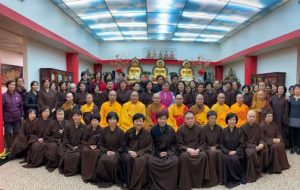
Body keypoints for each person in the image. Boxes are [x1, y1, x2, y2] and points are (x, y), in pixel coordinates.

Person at [177, 111, 209, 190]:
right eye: (188, 119)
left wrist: (198, 149)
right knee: (184, 157)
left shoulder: (199, 128)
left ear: (194, 119)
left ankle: (199, 182)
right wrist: (188, 149)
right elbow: (178, 144)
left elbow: (203, 143)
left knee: (203, 155)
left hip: (197, 150)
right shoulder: (180, 129)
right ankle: (186, 183)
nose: (190, 120)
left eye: (192, 118)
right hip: (185, 151)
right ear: (184, 120)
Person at [148, 110, 178, 190]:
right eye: (160, 119)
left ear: (167, 119)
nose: (162, 121)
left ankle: (170, 185)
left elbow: (174, 144)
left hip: (168, 152)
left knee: (175, 161)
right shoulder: (153, 130)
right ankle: (155, 185)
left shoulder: (170, 129)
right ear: (157, 119)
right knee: (151, 162)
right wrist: (157, 153)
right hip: (156, 153)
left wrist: (168, 152)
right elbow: (151, 144)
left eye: (164, 119)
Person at [122, 113, 152, 189]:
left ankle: (139, 183)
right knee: (127, 159)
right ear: (133, 122)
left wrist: (138, 153)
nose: (139, 123)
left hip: (142, 153)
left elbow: (149, 147)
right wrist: (129, 151)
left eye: (141, 121)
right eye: (137, 121)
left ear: (143, 122)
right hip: (130, 152)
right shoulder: (129, 132)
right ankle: (128, 182)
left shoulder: (147, 133)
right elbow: (124, 145)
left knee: (141, 160)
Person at [95, 112, 125, 188]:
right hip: (106, 151)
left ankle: (113, 179)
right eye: (110, 119)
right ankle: (104, 179)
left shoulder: (121, 131)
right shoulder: (104, 130)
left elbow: (122, 145)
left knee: (113, 161)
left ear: (117, 120)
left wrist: (115, 152)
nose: (112, 121)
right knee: (102, 159)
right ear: (107, 120)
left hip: (116, 153)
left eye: (114, 119)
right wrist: (106, 151)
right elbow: (100, 144)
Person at [241, 110, 269, 183]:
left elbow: (262, 138)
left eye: (254, 116)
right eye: (250, 116)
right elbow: (243, 142)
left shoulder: (258, 126)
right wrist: (253, 146)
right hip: (248, 147)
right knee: (251, 152)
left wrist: (261, 144)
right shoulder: (242, 128)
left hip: (257, 145)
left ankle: (263, 168)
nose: (252, 118)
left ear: (256, 117)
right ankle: (255, 171)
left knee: (264, 147)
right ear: (247, 117)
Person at [259, 109, 290, 173]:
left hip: (275, 141)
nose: (270, 118)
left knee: (281, 144)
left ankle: (282, 165)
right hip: (267, 144)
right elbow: (262, 138)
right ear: (264, 117)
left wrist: (279, 139)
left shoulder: (274, 124)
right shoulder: (261, 126)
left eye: (271, 116)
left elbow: (278, 133)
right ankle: (273, 167)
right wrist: (273, 140)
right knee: (274, 147)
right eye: (269, 116)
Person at [220, 113, 245, 188]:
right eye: (230, 119)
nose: (232, 121)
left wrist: (235, 151)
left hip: (237, 151)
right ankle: (227, 179)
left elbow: (242, 144)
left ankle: (237, 178)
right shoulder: (223, 131)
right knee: (226, 159)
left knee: (235, 159)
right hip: (226, 152)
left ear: (236, 121)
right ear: (227, 121)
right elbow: (221, 144)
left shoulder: (239, 131)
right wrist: (227, 151)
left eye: (234, 119)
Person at [59, 109, 85, 176]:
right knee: (67, 155)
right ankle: (67, 170)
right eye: (75, 116)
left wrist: (78, 146)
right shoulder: (68, 126)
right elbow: (65, 138)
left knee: (77, 155)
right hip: (69, 146)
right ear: (72, 117)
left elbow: (84, 139)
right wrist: (71, 147)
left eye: (79, 116)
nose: (77, 117)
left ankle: (75, 171)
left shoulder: (84, 127)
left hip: (79, 147)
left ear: (81, 117)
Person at [203, 111, 223, 187]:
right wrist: (209, 147)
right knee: (211, 154)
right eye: (211, 118)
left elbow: (221, 141)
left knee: (220, 153)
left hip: (216, 147)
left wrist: (216, 146)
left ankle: (220, 178)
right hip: (207, 148)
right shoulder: (203, 129)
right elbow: (202, 142)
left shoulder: (219, 128)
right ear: (207, 119)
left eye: (214, 118)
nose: (213, 120)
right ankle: (212, 179)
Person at [2, 80, 24, 151]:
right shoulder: (3, 96)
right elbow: (1, 107)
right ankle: (9, 147)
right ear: (7, 86)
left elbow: (21, 106)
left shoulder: (18, 95)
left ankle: (15, 147)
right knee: (8, 132)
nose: (12, 86)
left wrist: (22, 115)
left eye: (14, 85)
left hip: (17, 117)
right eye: (11, 84)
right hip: (7, 118)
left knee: (16, 132)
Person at [81, 114, 102, 182]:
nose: (94, 122)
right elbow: (83, 140)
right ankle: (85, 173)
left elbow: (102, 142)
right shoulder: (87, 129)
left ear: (99, 121)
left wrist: (96, 146)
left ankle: (93, 174)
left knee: (95, 152)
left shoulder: (102, 130)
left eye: (96, 121)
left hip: (97, 147)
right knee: (84, 150)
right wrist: (89, 145)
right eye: (92, 121)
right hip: (88, 146)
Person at [288, 84, 300, 154]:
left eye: (298, 89)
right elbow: (288, 109)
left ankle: (298, 148)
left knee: (299, 134)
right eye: (295, 89)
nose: (297, 90)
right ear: (293, 90)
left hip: (299, 118)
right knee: (292, 134)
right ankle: (292, 147)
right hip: (291, 118)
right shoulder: (290, 98)